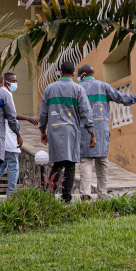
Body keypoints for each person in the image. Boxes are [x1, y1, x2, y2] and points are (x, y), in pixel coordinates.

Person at [76, 65, 136, 201]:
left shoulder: (78, 89)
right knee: (102, 161)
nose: (78, 77)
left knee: (85, 160)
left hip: (84, 130)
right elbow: (122, 98)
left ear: (83, 74)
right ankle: (102, 193)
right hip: (102, 130)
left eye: (79, 74)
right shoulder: (104, 86)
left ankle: (86, 193)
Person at [39, 60, 94, 203]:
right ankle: (66, 197)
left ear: (60, 73)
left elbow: (43, 112)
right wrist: (91, 132)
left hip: (54, 130)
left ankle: (49, 194)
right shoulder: (78, 89)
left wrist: (42, 130)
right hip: (71, 131)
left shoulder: (50, 89)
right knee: (70, 164)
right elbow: (86, 112)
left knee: (57, 163)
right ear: (74, 74)